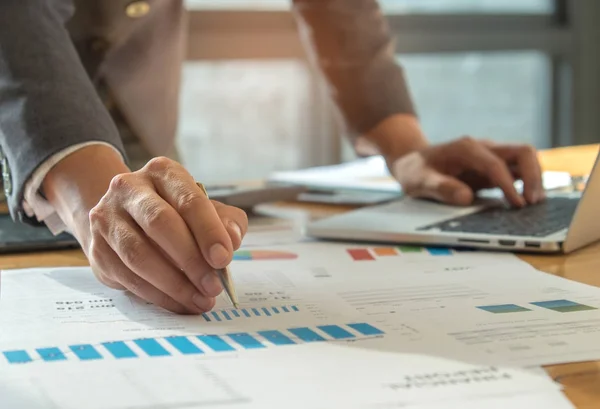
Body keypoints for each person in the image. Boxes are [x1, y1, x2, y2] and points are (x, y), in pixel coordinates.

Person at [0, 0, 544, 314]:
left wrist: (404, 146)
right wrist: (88, 185)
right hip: (21, 135)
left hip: (141, 126)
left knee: (165, 241)